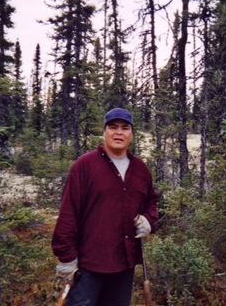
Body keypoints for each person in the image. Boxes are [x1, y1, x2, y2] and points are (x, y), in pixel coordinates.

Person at [52, 107, 158, 306]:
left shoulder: (140, 169)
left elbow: (151, 202)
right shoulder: (84, 166)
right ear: (104, 132)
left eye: (125, 128)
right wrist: (66, 257)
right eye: (113, 127)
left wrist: (148, 220)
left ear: (132, 134)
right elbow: (68, 213)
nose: (119, 132)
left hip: (124, 265)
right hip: (88, 265)